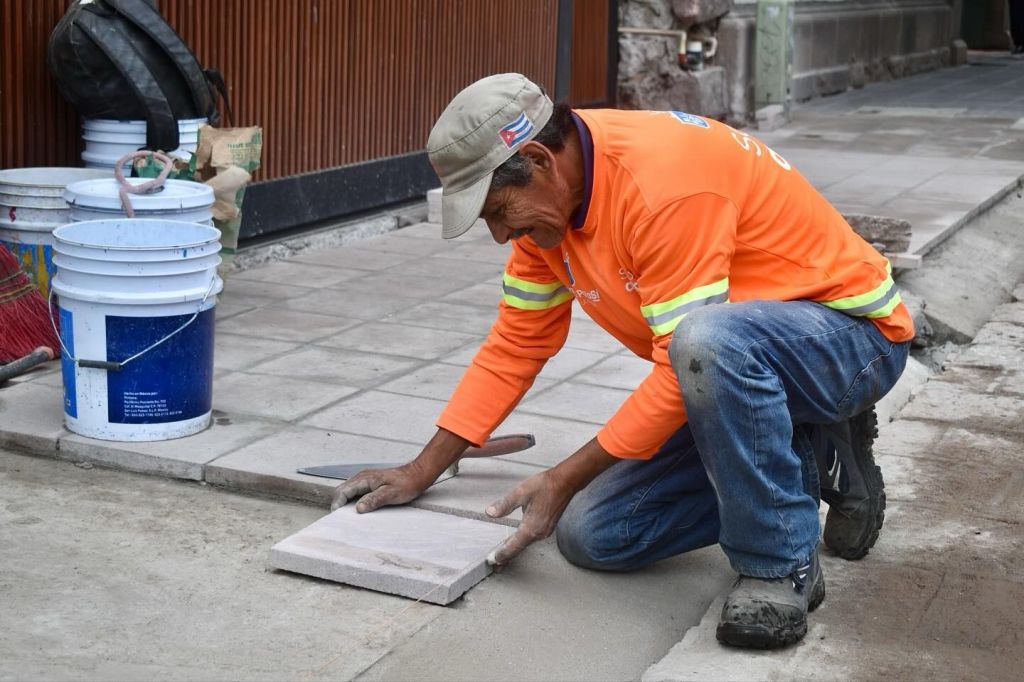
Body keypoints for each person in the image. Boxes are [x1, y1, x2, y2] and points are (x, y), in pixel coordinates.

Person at [332, 73, 913, 649]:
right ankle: (807, 448)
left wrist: (563, 476)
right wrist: (421, 469)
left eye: (497, 210)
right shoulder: (547, 226)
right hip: (737, 373)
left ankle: (778, 564)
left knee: (703, 340)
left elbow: (684, 357)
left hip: (851, 342)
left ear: (537, 160)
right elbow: (516, 345)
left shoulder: (665, 185)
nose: (501, 234)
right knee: (594, 534)